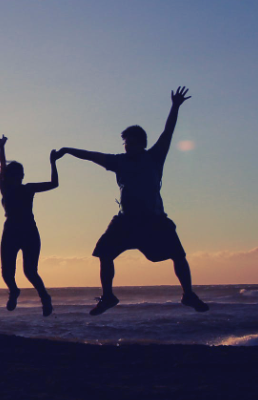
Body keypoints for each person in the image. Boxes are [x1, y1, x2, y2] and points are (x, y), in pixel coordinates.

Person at [57, 86, 208, 315]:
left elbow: (168, 132)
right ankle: (108, 296)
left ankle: (188, 294)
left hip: (153, 220)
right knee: (104, 253)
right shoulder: (118, 161)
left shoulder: (155, 156)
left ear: (141, 143)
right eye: (124, 143)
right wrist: (68, 150)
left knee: (178, 254)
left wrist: (175, 106)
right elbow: (91, 155)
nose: (126, 146)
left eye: (129, 142)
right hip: (126, 221)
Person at [0, 135, 58, 316]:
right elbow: (2, 167)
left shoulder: (28, 188)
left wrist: (52, 163)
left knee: (30, 271)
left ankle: (45, 297)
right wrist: (2, 148)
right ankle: (14, 291)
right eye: (12, 175)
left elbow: (54, 184)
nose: (16, 178)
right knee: (7, 272)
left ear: (22, 176)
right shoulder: (4, 188)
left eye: (19, 175)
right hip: (11, 231)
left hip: (29, 231)